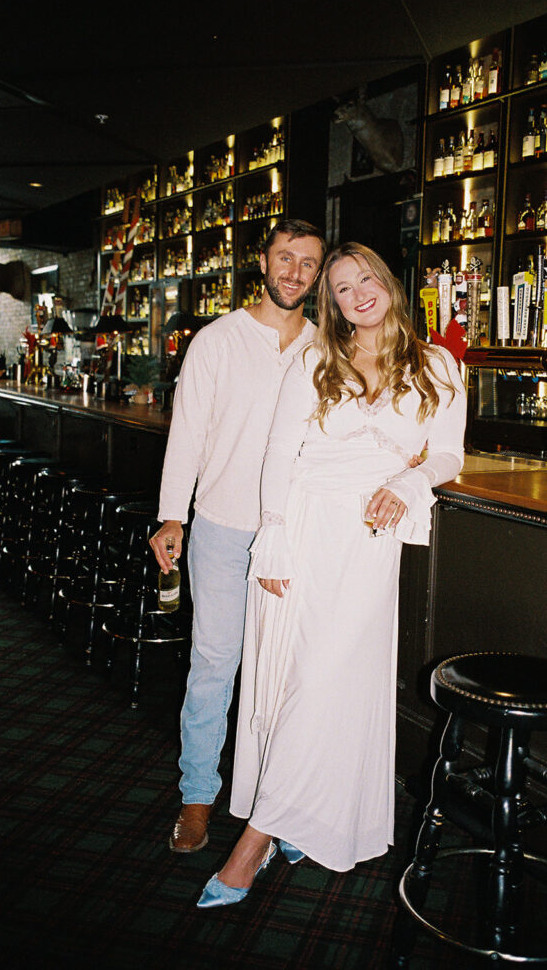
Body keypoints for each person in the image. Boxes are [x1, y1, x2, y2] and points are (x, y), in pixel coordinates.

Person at [197, 241, 466, 908]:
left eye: (366, 279)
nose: (358, 294)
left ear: (389, 284)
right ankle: (295, 818)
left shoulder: (438, 365)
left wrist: (410, 478)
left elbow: (451, 454)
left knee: (325, 682)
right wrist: (276, 537)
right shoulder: (317, 356)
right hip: (301, 528)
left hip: (369, 539)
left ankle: (254, 842)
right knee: (291, 680)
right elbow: (280, 451)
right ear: (333, 303)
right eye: (342, 288)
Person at [150, 218, 326, 855]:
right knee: (215, 667)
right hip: (222, 530)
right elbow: (188, 433)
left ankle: (275, 808)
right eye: (286, 258)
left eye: (308, 263)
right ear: (263, 260)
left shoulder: (325, 347)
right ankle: (197, 797)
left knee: (281, 676)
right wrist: (174, 516)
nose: (295, 273)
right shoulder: (217, 339)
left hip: (294, 536)